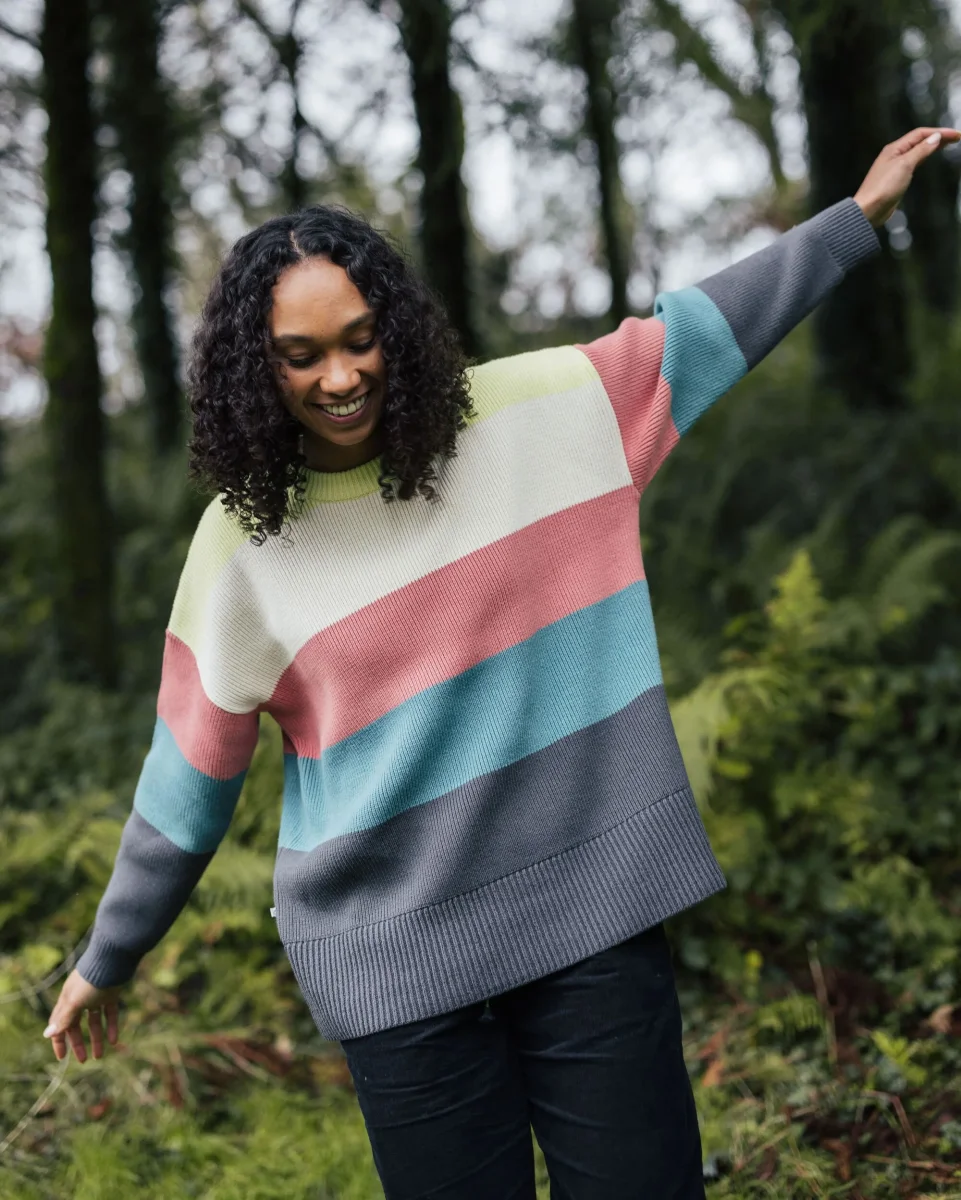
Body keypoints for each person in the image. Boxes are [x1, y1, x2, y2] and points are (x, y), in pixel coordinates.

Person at [43, 126, 959, 1199]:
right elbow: (186, 784)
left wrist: (854, 219)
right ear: (257, 368)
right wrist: (108, 956)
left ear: (396, 327)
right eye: (302, 355)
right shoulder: (240, 548)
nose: (341, 377)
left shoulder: (545, 416)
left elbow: (704, 330)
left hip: (589, 917)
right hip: (397, 969)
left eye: (361, 338)